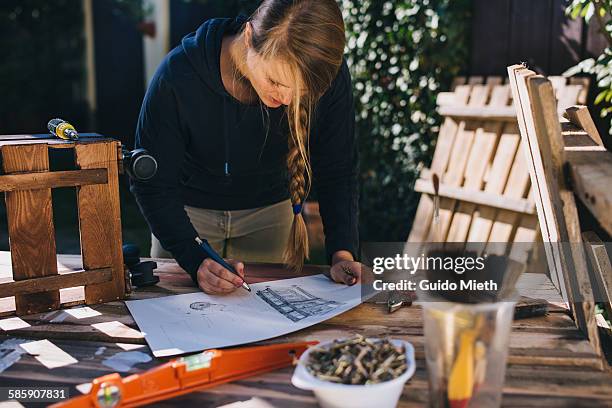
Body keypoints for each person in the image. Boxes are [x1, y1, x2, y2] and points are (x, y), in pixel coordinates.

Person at [131, 0, 362, 295]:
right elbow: (152, 184)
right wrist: (194, 258)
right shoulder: (176, 77)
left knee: (264, 322)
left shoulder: (326, 73)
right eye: (275, 81)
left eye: (301, 92)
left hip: (271, 214)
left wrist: (342, 251)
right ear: (250, 37)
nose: (288, 100)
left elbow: (338, 169)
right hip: (186, 215)